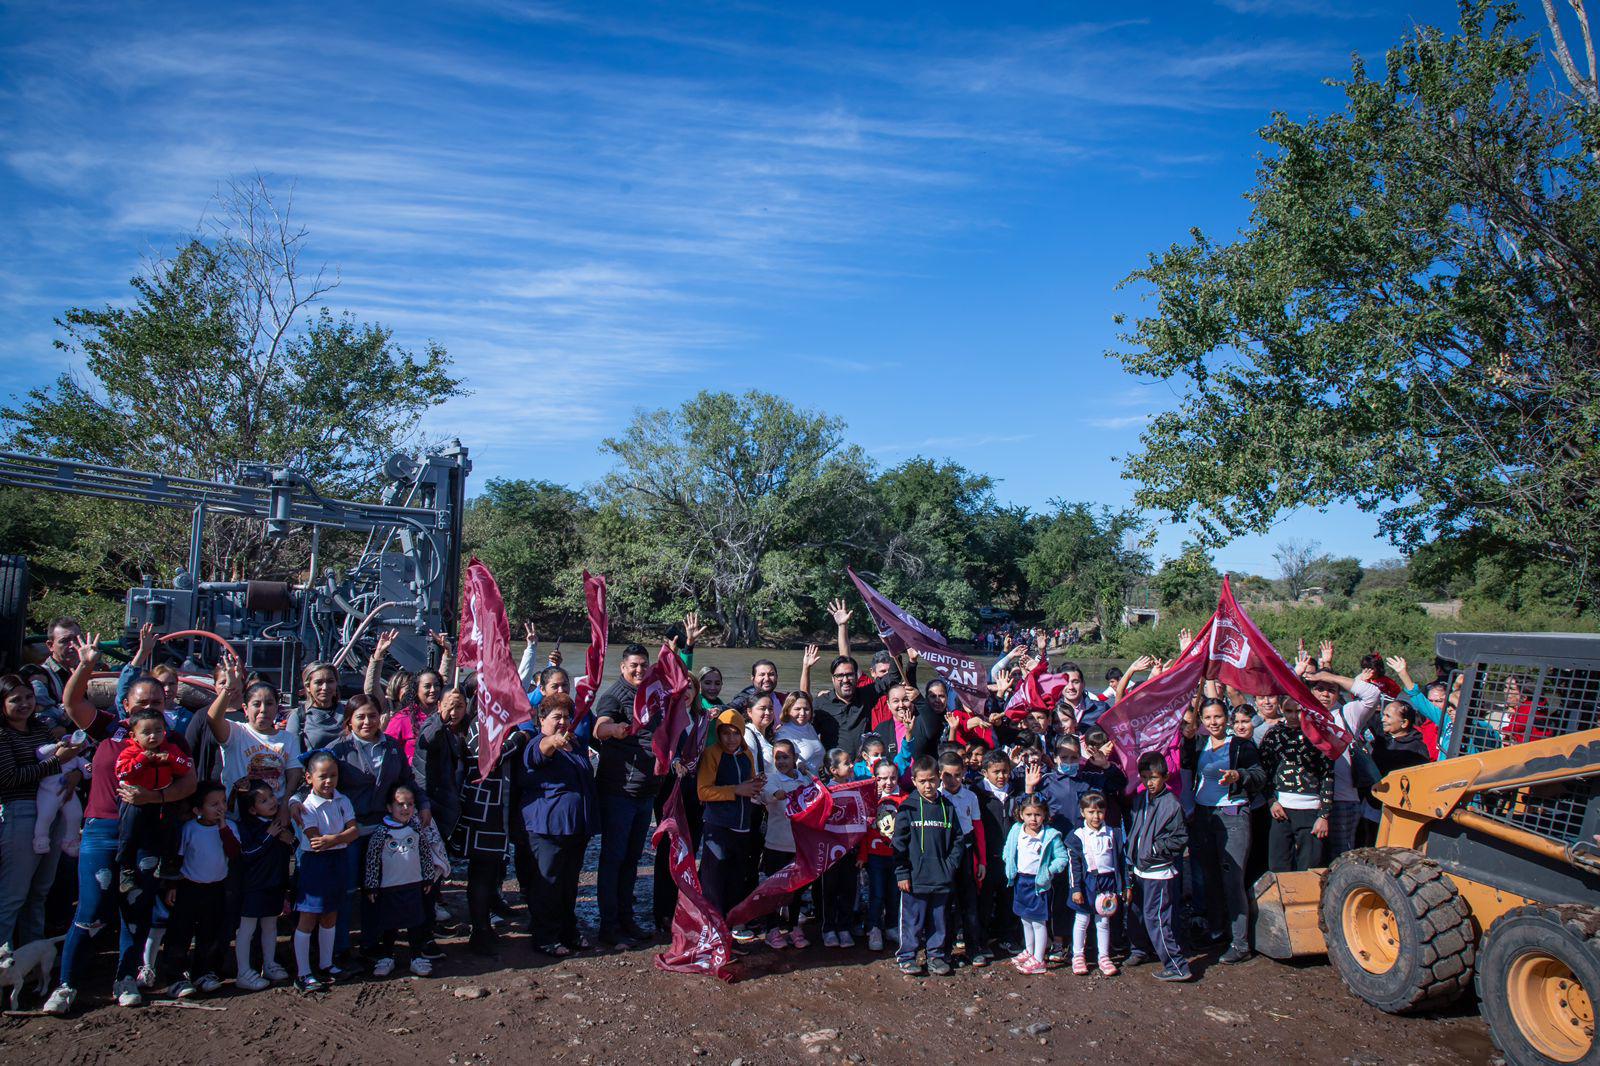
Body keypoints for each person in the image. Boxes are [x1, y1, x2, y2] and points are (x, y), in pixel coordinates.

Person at [48, 635, 198, 1014]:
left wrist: (156, 798)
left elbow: (189, 783)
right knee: (92, 909)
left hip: (148, 833)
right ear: (126, 702)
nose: (149, 708)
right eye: (142, 702)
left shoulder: (172, 738)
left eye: (157, 703)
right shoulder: (109, 729)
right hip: (101, 829)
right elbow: (71, 703)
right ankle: (66, 984)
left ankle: (126, 977)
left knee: (137, 909)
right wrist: (85, 665)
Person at [323, 693, 431, 960]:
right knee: (347, 891)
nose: (367, 722)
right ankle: (341, 948)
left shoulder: (391, 747)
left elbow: (408, 780)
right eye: (360, 717)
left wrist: (423, 803)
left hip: (382, 831)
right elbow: (318, 784)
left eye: (372, 715)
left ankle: (374, 946)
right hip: (350, 831)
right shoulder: (338, 750)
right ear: (350, 720)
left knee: (377, 890)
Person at [0, 674, 86, 951]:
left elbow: (63, 764)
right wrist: (55, 763)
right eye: (16, 700)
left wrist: (73, 775)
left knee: (39, 892)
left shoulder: (40, 728)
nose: (25, 704)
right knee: (13, 895)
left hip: (54, 807)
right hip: (21, 812)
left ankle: (30, 958)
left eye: (28, 697)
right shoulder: (2, 735)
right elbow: (9, 778)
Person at [1182, 698, 1264, 964]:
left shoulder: (1241, 744)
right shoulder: (1200, 743)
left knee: (1233, 879)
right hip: (1204, 815)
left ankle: (1240, 943)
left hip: (1232, 814)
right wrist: (1187, 739)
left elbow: (1260, 775)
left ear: (1226, 718)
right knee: (1210, 877)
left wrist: (1239, 776)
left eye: (1217, 717)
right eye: (1208, 718)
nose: (1213, 722)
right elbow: (1185, 765)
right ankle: (1217, 930)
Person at [592, 643, 659, 947]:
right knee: (613, 860)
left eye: (644, 665)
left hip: (646, 793)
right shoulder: (613, 696)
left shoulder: (651, 695)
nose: (639, 670)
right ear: (622, 667)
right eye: (634, 665)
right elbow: (599, 727)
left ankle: (626, 918)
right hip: (619, 792)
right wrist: (613, 729)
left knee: (632, 860)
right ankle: (608, 926)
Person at [520, 693, 596, 957]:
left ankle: (567, 929)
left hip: (575, 827)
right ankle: (544, 936)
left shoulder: (574, 744)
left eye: (566, 716)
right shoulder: (537, 743)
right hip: (547, 827)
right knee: (547, 883)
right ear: (542, 719)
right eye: (556, 717)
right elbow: (540, 755)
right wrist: (553, 739)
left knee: (569, 883)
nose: (563, 722)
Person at [289, 751, 359, 993]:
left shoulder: (343, 800)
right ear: (309, 778)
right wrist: (339, 839)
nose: (329, 781)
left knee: (331, 914)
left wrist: (335, 839)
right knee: (308, 917)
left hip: (337, 860)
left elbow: (354, 831)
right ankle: (303, 972)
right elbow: (316, 841)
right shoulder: (306, 806)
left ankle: (326, 964)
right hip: (315, 864)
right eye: (323, 776)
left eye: (333, 775)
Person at [362, 783, 448, 978]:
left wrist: (427, 878)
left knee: (415, 922)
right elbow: (372, 860)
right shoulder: (381, 833)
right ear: (389, 807)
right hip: (389, 887)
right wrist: (371, 885)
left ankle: (416, 956)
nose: (405, 809)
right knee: (389, 924)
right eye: (400, 804)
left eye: (410, 804)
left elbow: (425, 854)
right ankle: (387, 956)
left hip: (413, 885)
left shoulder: (416, 829)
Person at [160, 781, 233, 997]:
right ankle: (175, 977)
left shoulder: (229, 828)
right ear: (197, 810)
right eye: (213, 804)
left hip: (216, 888)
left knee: (210, 933)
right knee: (180, 933)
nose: (220, 808)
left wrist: (223, 828)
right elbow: (178, 858)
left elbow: (234, 852)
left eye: (223, 802)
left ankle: (203, 972)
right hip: (188, 888)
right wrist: (172, 885)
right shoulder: (189, 829)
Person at [892, 756, 962, 977]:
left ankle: (936, 956)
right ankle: (907, 956)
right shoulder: (908, 808)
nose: (928, 785)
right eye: (922, 781)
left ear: (939, 778)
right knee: (912, 920)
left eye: (932, 780)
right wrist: (902, 872)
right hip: (914, 878)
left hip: (941, 878)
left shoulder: (947, 806)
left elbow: (958, 840)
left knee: (939, 920)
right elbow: (898, 843)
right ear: (914, 781)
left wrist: (949, 866)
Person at [1125, 752, 1192, 982]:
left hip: (1159, 871)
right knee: (1137, 913)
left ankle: (1176, 964)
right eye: (1144, 777)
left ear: (1164, 776)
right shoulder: (1140, 800)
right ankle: (1140, 950)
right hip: (1140, 868)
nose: (1149, 782)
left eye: (1153, 777)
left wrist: (1153, 849)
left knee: (1156, 917)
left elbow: (1179, 838)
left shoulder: (1171, 804)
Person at [816, 599, 913, 756]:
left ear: (855, 676)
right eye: (840, 676)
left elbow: (894, 677)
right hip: (836, 772)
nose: (845, 679)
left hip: (866, 767)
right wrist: (842, 627)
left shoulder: (867, 693)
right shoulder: (822, 703)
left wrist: (893, 646)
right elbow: (804, 726)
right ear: (833, 678)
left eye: (849, 675)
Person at [114, 709, 194, 898]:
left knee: (169, 829)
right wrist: (143, 760)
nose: (153, 736)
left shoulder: (171, 749)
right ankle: (126, 869)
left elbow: (186, 767)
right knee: (129, 832)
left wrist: (171, 759)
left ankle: (166, 863)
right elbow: (122, 773)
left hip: (163, 798)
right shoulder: (130, 752)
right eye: (146, 732)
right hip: (136, 801)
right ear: (134, 735)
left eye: (158, 731)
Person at [696, 708, 762, 917]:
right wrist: (736, 790)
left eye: (736, 733)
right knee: (714, 877)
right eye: (726, 733)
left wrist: (756, 784)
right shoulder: (712, 754)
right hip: (718, 825)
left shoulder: (747, 754)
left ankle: (731, 923)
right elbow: (703, 791)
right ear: (718, 733)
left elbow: (748, 783)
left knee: (736, 875)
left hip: (742, 824)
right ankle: (713, 925)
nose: (731, 738)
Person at [204, 666, 302, 802]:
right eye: (256, 704)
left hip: (275, 814)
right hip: (239, 816)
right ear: (245, 709)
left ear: (276, 707)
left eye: (269, 704)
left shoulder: (289, 739)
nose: (263, 709)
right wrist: (228, 688)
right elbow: (213, 718)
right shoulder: (236, 732)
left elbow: (294, 776)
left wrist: (285, 806)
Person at [232, 779, 294, 990]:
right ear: (251, 808)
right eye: (263, 800)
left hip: (274, 884)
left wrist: (289, 841)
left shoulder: (277, 824)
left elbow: (290, 848)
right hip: (253, 887)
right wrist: (269, 837)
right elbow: (247, 854)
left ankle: (269, 963)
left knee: (270, 925)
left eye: (271, 797)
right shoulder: (247, 827)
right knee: (247, 929)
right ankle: (243, 971)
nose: (271, 802)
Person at [1258, 701, 1333, 873]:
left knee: (1310, 867)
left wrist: (1324, 815)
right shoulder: (1274, 734)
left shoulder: (1318, 735)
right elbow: (1264, 771)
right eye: (1288, 711)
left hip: (1310, 810)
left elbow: (1328, 775)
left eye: (1298, 711)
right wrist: (1271, 801)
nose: (1293, 716)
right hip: (1280, 810)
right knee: (1278, 865)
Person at [1002, 797, 1067, 975]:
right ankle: (1030, 951)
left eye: (1037, 814)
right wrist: (1008, 863)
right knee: (1025, 918)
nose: (1033, 819)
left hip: (1039, 884)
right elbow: (1008, 848)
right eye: (1029, 814)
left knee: (1038, 922)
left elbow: (1062, 858)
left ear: (1044, 814)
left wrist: (1048, 872)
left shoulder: (1050, 835)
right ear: (1021, 814)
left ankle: (1039, 959)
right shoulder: (1016, 830)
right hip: (1020, 880)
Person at [1065, 792, 1126, 976]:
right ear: (1083, 813)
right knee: (1082, 920)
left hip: (1107, 884)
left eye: (1099, 811)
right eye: (1091, 812)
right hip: (1086, 882)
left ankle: (1104, 956)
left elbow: (1120, 861)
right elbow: (1074, 865)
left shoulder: (1113, 833)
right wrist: (1076, 889)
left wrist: (1123, 887)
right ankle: (1078, 955)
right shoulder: (1078, 835)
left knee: (1103, 921)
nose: (1096, 816)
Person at [937, 750, 987, 966]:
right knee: (945, 905)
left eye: (958, 775)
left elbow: (978, 830)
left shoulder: (970, 796)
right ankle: (944, 951)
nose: (953, 780)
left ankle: (973, 949)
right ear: (940, 774)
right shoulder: (935, 798)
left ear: (964, 773)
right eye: (948, 775)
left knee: (969, 903)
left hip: (966, 852)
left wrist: (982, 860)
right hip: (945, 853)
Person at [759, 738, 809, 949]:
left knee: (796, 889)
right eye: (777, 757)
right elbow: (766, 794)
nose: (781, 761)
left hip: (798, 845)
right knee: (775, 889)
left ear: (795, 758)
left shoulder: (805, 781)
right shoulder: (773, 779)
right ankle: (772, 929)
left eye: (785, 757)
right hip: (776, 844)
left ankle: (794, 926)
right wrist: (776, 795)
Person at [412, 689, 470, 844]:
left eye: (459, 706)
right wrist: (441, 719)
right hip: (432, 800)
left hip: (455, 801)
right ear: (439, 706)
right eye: (449, 706)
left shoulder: (468, 729)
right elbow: (427, 740)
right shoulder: (433, 724)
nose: (454, 712)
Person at [858, 759, 902, 952]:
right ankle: (874, 927)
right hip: (875, 855)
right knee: (876, 893)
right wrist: (862, 855)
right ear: (875, 779)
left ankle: (892, 926)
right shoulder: (870, 801)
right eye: (883, 778)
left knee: (895, 893)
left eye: (893, 777)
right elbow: (864, 832)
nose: (888, 782)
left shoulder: (907, 799)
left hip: (898, 855)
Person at [975, 750, 1015, 954]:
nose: (1001, 776)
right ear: (985, 772)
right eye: (996, 772)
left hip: (1010, 857)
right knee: (985, 901)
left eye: (1005, 771)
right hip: (987, 857)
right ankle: (982, 941)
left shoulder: (1015, 792)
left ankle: (1006, 937)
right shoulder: (977, 794)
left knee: (1007, 899)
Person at [285, 658, 351, 755]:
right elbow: (291, 754)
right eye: (318, 682)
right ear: (308, 687)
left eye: (330, 681)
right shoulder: (299, 717)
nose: (325, 687)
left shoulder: (348, 712)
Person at [26, 617, 82, 721]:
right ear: (50, 645)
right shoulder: (40, 676)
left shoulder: (84, 668)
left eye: (76, 639)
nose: (72, 645)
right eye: (65, 641)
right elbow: (43, 719)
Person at [776, 686, 826, 776]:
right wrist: (798, 764)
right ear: (787, 710)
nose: (802, 713)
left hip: (817, 783)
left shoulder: (809, 727)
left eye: (806, 709)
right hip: (799, 785)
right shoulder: (782, 734)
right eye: (797, 709)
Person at [1372, 700, 1430, 776]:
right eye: (1383, 715)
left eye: (1388, 716)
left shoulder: (1416, 747)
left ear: (1404, 723)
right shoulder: (1381, 740)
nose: (1383, 719)